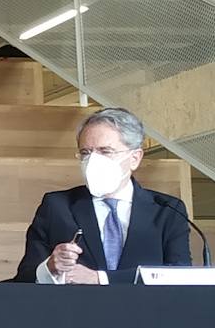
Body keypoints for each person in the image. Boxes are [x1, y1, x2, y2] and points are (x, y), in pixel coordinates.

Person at [13, 107, 191, 285]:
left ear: (135, 158)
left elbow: (179, 275)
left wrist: (100, 279)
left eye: (105, 151)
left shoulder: (167, 210)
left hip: (146, 310)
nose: (93, 161)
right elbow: (24, 279)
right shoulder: (57, 206)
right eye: (85, 153)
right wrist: (49, 268)